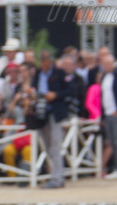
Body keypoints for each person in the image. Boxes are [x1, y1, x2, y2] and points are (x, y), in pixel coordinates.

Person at [33, 52, 74, 188]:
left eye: (46, 60)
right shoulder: (38, 73)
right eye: (42, 60)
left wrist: (55, 95)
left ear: (51, 61)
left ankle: (57, 179)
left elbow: (70, 90)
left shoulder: (59, 73)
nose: (44, 63)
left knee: (55, 145)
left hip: (55, 113)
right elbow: (34, 88)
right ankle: (56, 175)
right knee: (47, 146)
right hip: (41, 112)